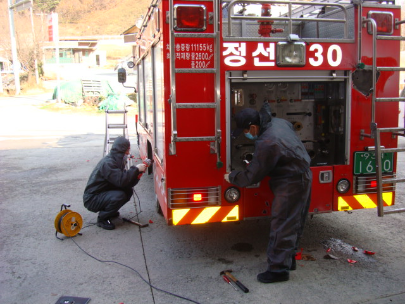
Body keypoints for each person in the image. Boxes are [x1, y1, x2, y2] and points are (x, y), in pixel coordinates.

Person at [225, 102, 312, 283]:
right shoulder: (278, 122)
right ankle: (288, 260)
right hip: (302, 174)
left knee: (282, 224)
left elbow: (252, 176)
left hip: (291, 181)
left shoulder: (268, 141)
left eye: (246, 131)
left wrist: (232, 176)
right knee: (294, 221)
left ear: (254, 127)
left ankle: (278, 270)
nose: (246, 136)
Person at [83, 136, 146, 230]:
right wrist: (136, 169)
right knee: (119, 196)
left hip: (102, 192)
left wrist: (137, 174)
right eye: (127, 150)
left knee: (128, 190)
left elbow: (126, 183)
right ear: (121, 150)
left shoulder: (116, 161)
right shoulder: (108, 163)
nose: (128, 153)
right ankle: (102, 219)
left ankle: (110, 212)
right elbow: (121, 180)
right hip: (92, 198)